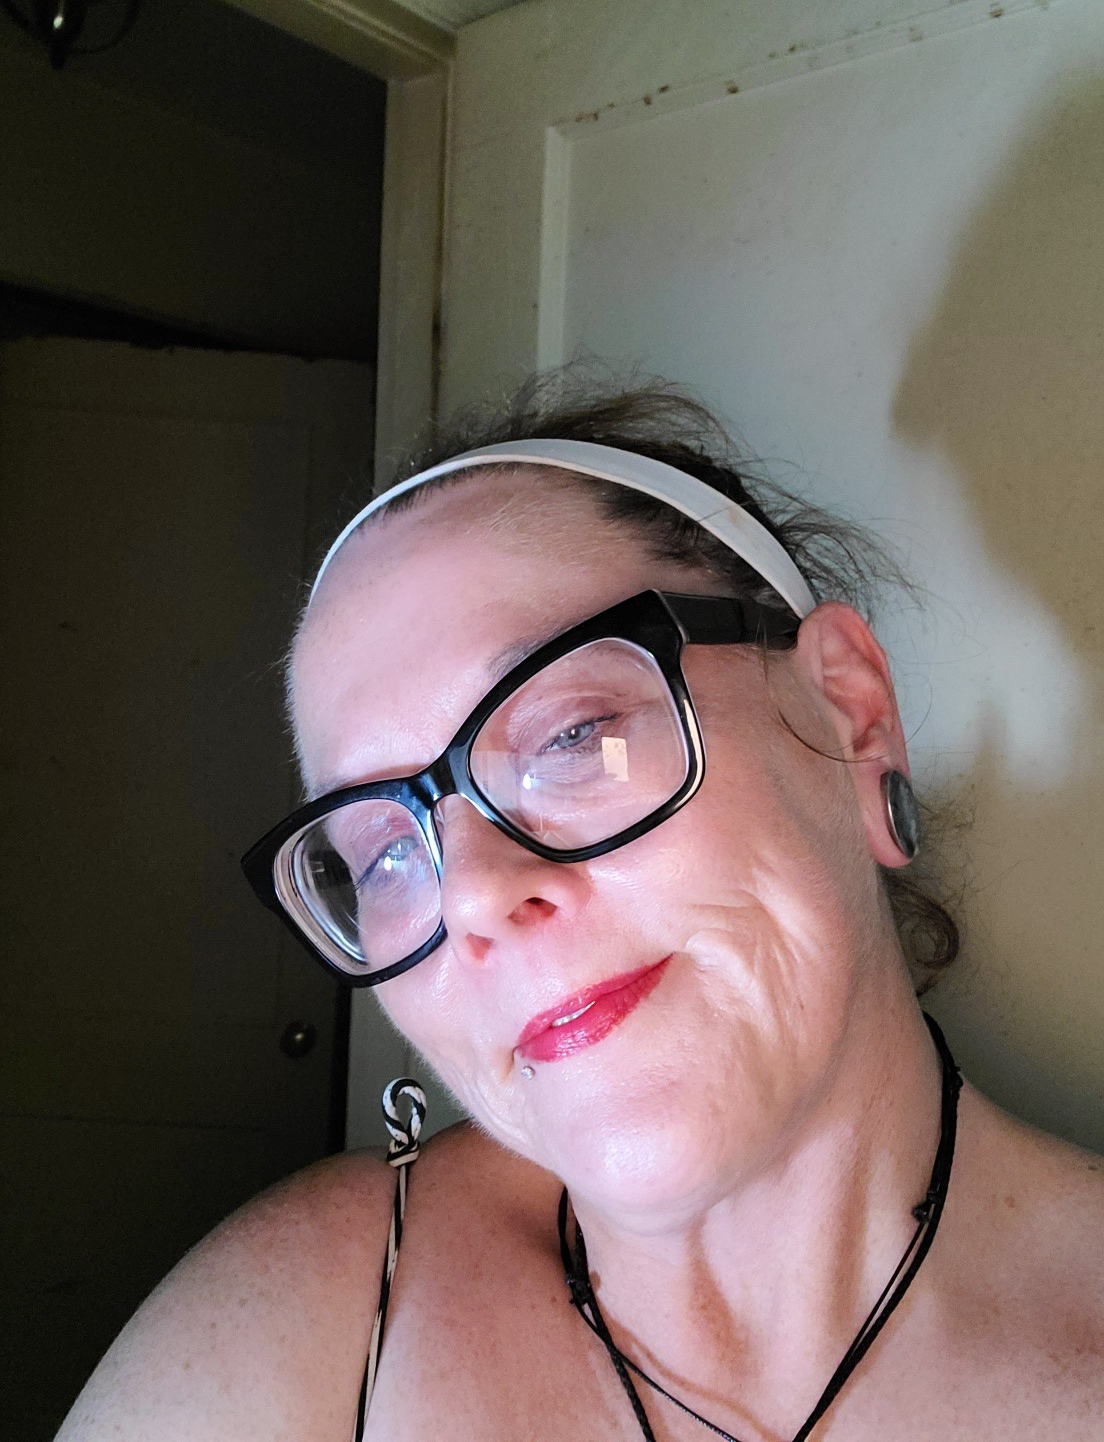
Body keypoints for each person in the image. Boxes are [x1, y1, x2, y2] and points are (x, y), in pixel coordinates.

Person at [59, 378, 1104, 1441]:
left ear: (851, 714)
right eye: (384, 857)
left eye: (569, 735)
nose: (473, 893)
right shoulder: (304, 1327)